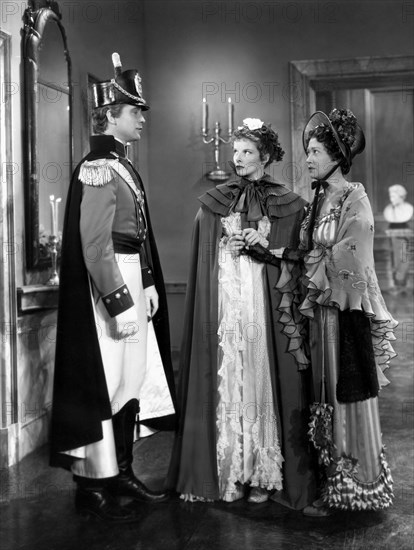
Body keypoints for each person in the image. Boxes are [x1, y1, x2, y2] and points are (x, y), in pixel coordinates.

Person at [50, 53, 176, 523]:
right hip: (106, 290)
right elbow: (96, 247)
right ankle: (92, 483)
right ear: (111, 116)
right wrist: (120, 301)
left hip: (128, 278)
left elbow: (135, 236)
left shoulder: (122, 166)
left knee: (130, 380)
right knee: (104, 382)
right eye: (135, 112)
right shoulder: (98, 168)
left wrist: (145, 282)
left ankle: (121, 470)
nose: (141, 119)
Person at [166, 118, 317, 508]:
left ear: (265, 157)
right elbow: (204, 258)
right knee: (229, 378)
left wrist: (265, 246)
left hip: (263, 306)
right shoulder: (215, 202)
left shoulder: (288, 202)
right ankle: (229, 468)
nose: (239, 159)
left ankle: (262, 473)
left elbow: (301, 259)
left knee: (258, 376)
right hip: (228, 303)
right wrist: (225, 246)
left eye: (247, 152)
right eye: (235, 152)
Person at [271, 109, 397, 514]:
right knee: (324, 392)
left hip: (344, 312)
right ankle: (330, 483)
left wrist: (310, 262)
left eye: (314, 151)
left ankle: (355, 485)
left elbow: (353, 255)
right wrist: (280, 253)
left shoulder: (353, 195)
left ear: (336, 156)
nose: (307, 158)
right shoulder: (317, 200)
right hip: (321, 314)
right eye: (307, 151)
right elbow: (312, 249)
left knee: (345, 389)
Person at [383, 184, 413, 292]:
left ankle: (402, 282)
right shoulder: (388, 210)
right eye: (390, 196)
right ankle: (396, 283)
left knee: (404, 257)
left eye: (394, 196)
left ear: (401, 197)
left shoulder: (409, 209)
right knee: (393, 258)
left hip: (404, 235)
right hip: (392, 234)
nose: (391, 198)